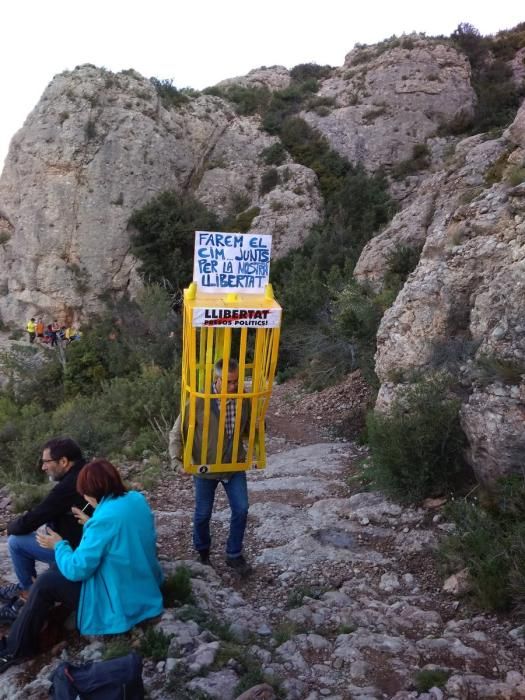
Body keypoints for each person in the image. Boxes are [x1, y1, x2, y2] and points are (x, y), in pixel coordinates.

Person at [0, 459, 163, 672]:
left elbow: (77, 570)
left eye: (85, 493)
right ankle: (33, 617)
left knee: (47, 581)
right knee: (54, 574)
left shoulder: (103, 519)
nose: (85, 497)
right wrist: (90, 523)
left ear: (93, 492)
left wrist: (59, 545)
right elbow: (122, 535)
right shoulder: (136, 500)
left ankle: (14, 649)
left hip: (119, 596)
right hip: (142, 582)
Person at [169, 358, 252, 576]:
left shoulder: (244, 400)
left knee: (241, 509)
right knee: (203, 513)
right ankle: (203, 553)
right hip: (205, 468)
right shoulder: (198, 401)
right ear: (217, 379)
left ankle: (234, 554)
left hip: (233, 466)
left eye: (236, 382)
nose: (234, 387)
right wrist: (176, 461)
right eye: (229, 382)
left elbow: (252, 428)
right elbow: (177, 432)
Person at [0, 438, 86, 623]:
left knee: (16, 542)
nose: (43, 467)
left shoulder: (68, 486)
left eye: (46, 462)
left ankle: (30, 596)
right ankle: (29, 589)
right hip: (85, 546)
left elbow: (36, 517)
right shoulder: (88, 472)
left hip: (74, 553)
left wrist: (10, 528)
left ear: (63, 461)